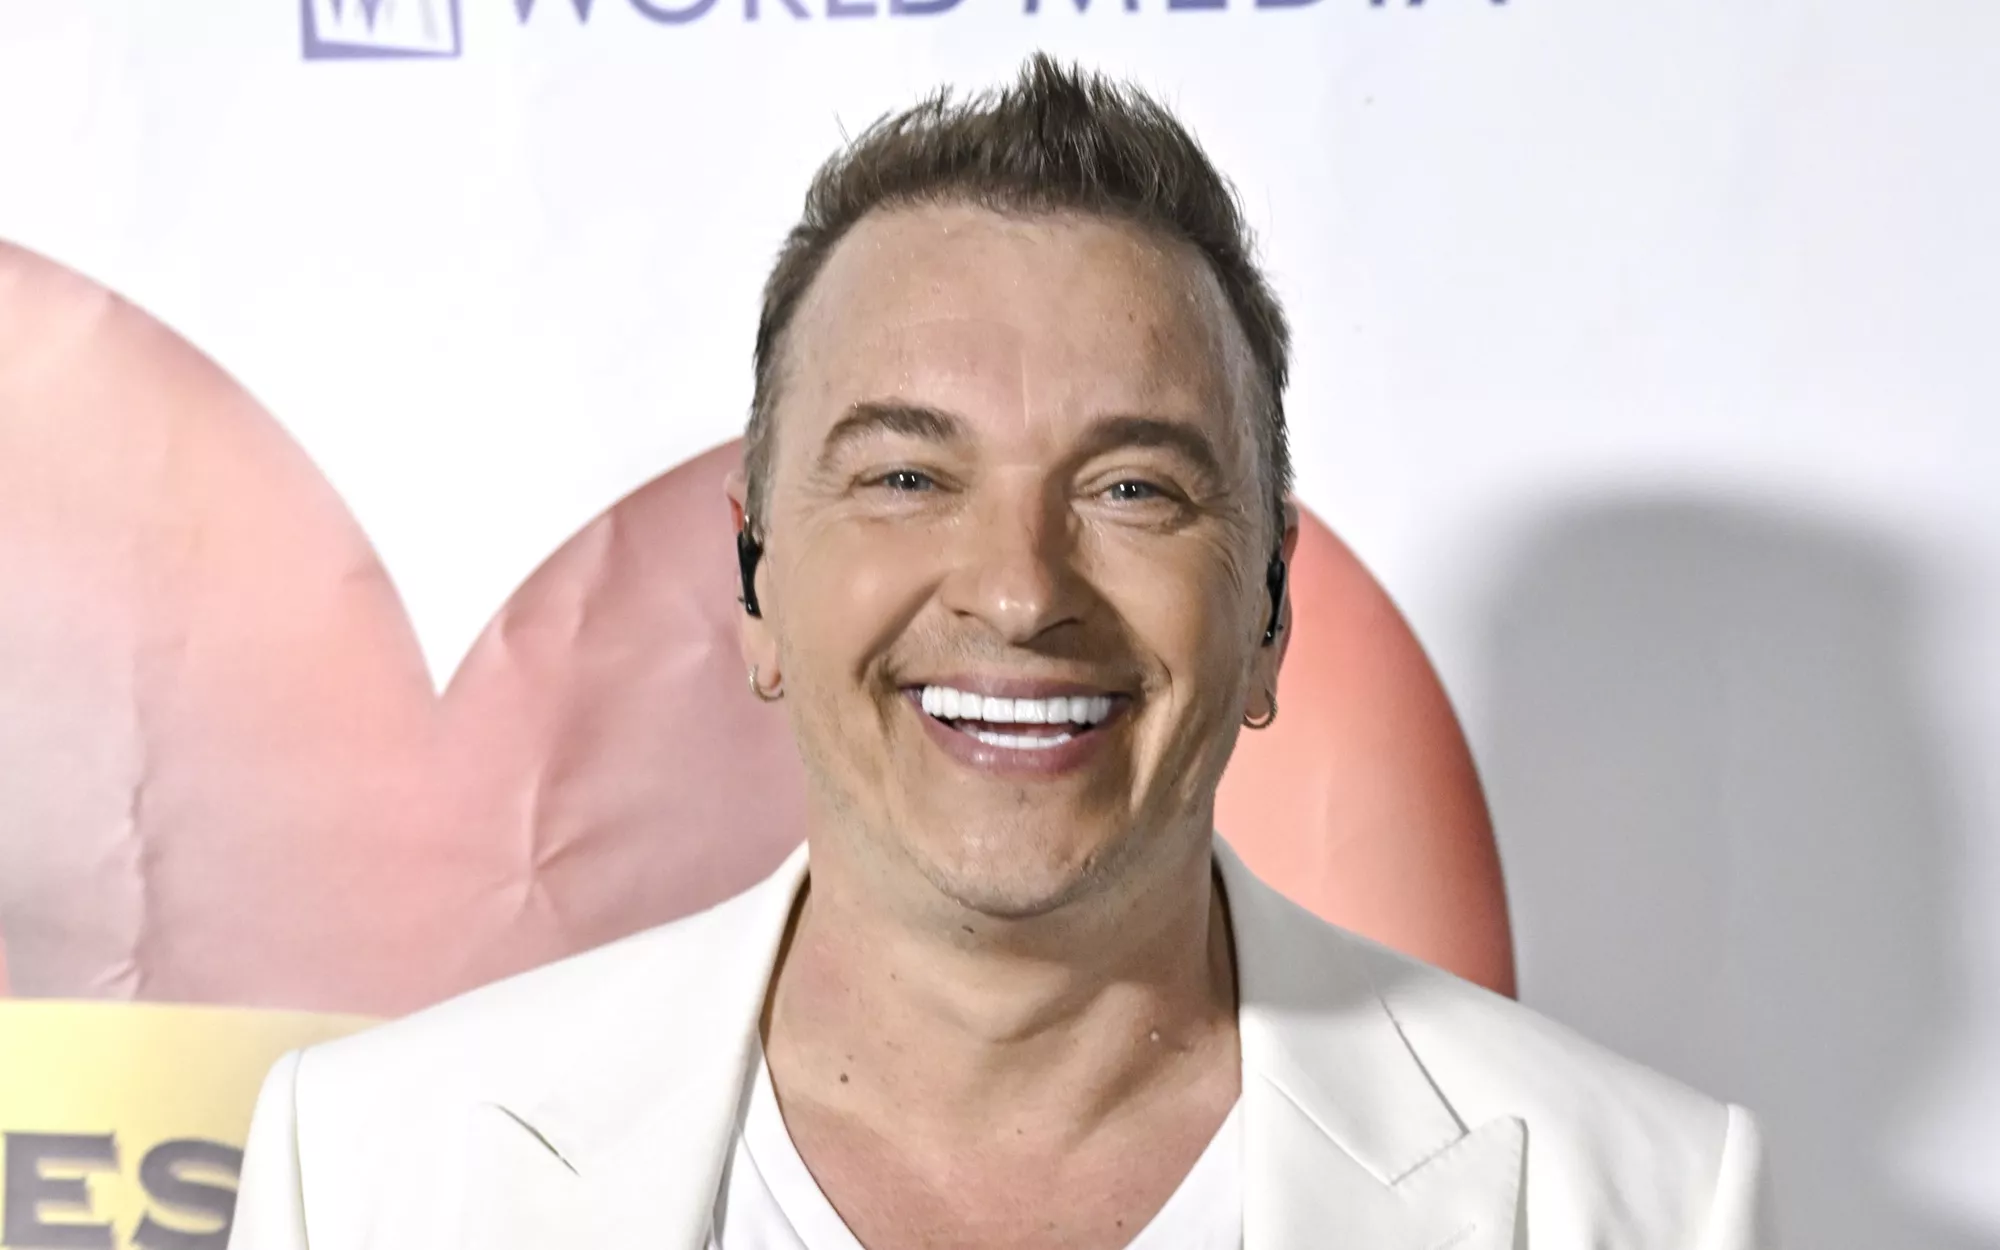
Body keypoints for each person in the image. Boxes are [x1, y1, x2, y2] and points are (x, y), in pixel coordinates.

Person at [228, 55, 1770, 1250]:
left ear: (1269, 608)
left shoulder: (1636, 1199)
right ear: (756, 579)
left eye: (1133, 488)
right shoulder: (375, 1174)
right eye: (908, 474)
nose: (1022, 591)